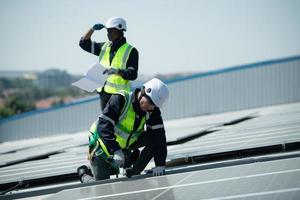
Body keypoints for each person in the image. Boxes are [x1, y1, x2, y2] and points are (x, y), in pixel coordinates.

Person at [77, 78, 169, 182]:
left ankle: (133, 172)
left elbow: (159, 137)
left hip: (126, 144)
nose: (151, 108)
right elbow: (103, 127)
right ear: (143, 92)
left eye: (154, 105)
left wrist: (160, 164)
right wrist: (116, 149)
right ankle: (84, 174)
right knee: (102, 186)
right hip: (103, 145)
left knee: (154, 139)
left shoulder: (152, 110)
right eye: (150, 103)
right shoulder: (121, 99)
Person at [79, 17, 139, 110]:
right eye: (107, 31)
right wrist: (92, 29)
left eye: (111, 31)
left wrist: (117, 71)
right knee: (106, 123)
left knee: (115, 123)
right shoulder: (104, 47)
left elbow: (133, 75)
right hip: (104, 95)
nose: (108, 34)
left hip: (119, 96)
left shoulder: (131, 51)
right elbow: (83, 43)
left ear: (120, 30)